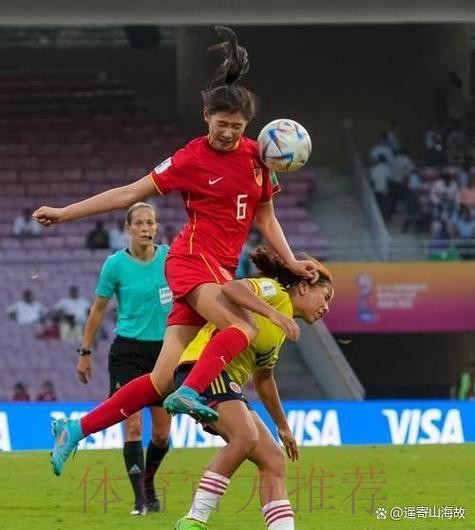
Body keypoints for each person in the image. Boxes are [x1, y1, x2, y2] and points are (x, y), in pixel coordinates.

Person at [33, 26, 319, 432]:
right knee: (243, 327)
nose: (227, 133)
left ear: (248, 126)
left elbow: (266, 218)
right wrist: (65, 213)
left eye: (237, 127)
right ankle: (191, 394)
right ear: (206, 117)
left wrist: (290, 262)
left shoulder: (259, 158)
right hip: (192, 260)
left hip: (219, 269)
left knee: (160, 379)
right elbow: (130, 193)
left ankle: (75, 430)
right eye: (221, 123)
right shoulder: (190, 159)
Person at [174, 248, 333, 530]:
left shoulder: (281, 329)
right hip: (205, 368)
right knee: (245, 436)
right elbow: (232, 288)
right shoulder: (274, 292)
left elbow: (264, 379)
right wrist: (274, 314)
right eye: (326, 296)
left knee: (273, 460)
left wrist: (283, 426)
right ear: (304, 286)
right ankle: (193, 521)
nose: (327, 307)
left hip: (228, 384)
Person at [77, 202, 172, 515]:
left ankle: (148, 481)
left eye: (150, 222)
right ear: (127, 228)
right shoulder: (115, 264)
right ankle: (140, 501)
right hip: (127, 352)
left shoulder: (170, 258)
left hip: (164, 353)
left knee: (161, 434)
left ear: (156, 227)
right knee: (132, 426)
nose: (146, 228)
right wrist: (85, 351)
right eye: (139, 223)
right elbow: (98, 309)